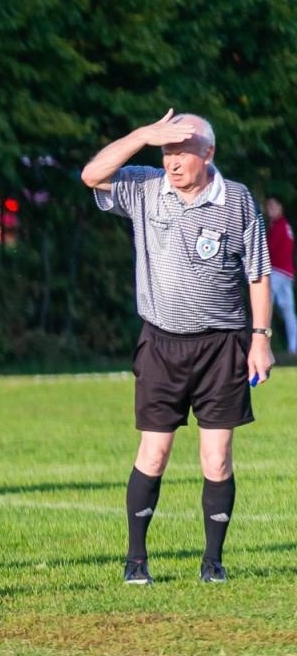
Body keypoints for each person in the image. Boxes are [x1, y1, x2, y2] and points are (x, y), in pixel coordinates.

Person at [81, 110, 273, 584]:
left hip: (222, 347)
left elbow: (258, 273)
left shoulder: (237, 200)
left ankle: (213, 563)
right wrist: (142, 135)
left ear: (208, 153)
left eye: (181, 150)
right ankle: (136, 561)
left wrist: (261, 339)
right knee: (153, 454)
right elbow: (91, 175)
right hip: (162, 344)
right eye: (166, 151)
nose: (172, 161)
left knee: (217, 458)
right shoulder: (145, 188)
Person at [265, 197, 296, 353]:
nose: (270, 209)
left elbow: (269, 249)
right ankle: (293, 347)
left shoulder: (278, 226)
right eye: (269, 206)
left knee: (265, 308)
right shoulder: (286, 226)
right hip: (287, 273)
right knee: (288, 312)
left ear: (280, 207)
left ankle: (264, 345)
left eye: (273, 206)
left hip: (276, 272)